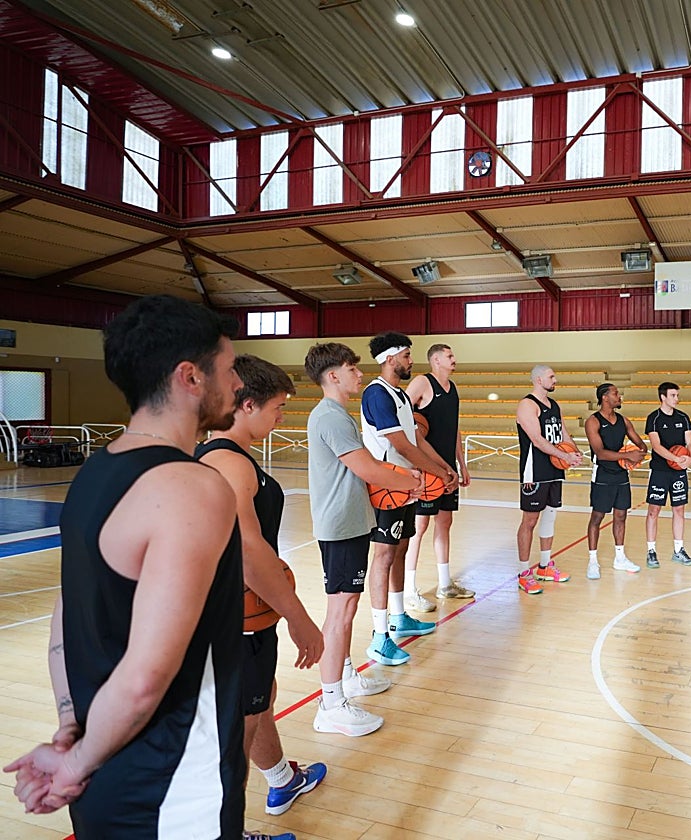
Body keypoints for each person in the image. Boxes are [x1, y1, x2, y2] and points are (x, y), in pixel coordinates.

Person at [3, 294, 249, 837]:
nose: (237, 384)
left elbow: (64, 621)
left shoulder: (94, 474)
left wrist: (72, 729)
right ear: (190, 376)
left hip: (104, 770)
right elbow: (144, 678)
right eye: (230, 369)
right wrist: (73, 763)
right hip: (173, 785)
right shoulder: (192, 487)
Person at [197, 355, 328, 826]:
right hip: (237, 620)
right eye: (278, 407)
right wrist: (299, 617)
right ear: (247, 404)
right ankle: (223, 831)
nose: (282, 418)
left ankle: (281, 779)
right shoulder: (230, 464)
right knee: (239, 725)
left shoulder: (218, 456)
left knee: (259, 700)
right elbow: (249, 553)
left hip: (234, 617)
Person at [305, 342, 421, 738]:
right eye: (352, 368)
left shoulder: (338, 414)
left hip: (351, 521)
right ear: (332, 375)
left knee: (347, 608)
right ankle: (331, 703)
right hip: (339, 525)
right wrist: (410, 482)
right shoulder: (330, 416)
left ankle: (346, 675)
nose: (359, 373)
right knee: (340, 611)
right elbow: (368, 469)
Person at [360, 333, 445, 663]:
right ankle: (379, 636)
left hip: (407, 485)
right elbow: (401, 446)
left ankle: (398, 617)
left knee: (401, 549)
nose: (411, 361)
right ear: (389, 358)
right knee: (383, 556)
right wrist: (436, 474)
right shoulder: (376, 394)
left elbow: (416, 441)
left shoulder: (401, 396)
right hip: (387, 487)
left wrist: (443, 468)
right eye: (407, 355)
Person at [403, 343, 474, 603]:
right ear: (435, 360)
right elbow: (401, 416)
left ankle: (445, 584)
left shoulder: (452, 388)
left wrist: (462, 464)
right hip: (427, 469)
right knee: (418, 526)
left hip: (448, 469)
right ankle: (408, 588)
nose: (454, 359)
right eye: (449, 356)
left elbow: (454, 429)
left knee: (445, 523)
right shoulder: (422, 383)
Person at [515, 364, 582, 594]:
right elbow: (536, 439)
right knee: (530, 520)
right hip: (535, 470)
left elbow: (563, 433)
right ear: (538, 379)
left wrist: (574, 452)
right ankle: (524, 573)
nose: (555, 380)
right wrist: (564, 455)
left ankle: (544, 566)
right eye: (551, 377)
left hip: (555, 467)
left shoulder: (554, 405)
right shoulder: (527, 405)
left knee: (550, 516)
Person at [584, 383, 647, 579]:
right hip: (602, 474)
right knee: (597, 517)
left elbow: (642, 445)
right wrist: (627, 455)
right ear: (605, 397)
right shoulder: (593, 421)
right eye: (615, 393)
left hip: (621, 474)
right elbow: (600, 453)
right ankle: (592, 561)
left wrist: (637, 453)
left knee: (621, 516)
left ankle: (619, 558)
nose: (619, 396)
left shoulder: (623, 421)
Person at [644, 382, 691, 568]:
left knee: (679, 510)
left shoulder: (683, 417)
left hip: (679, 472)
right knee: (654, 510)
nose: (677, 399)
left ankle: (678, 550)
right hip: (660, 471)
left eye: (677, 395)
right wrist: (676, 458)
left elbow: (690, 442)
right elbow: (656, 446)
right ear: (663, 397)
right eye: (673, 395)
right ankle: (651, 551)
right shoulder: (654, 418)